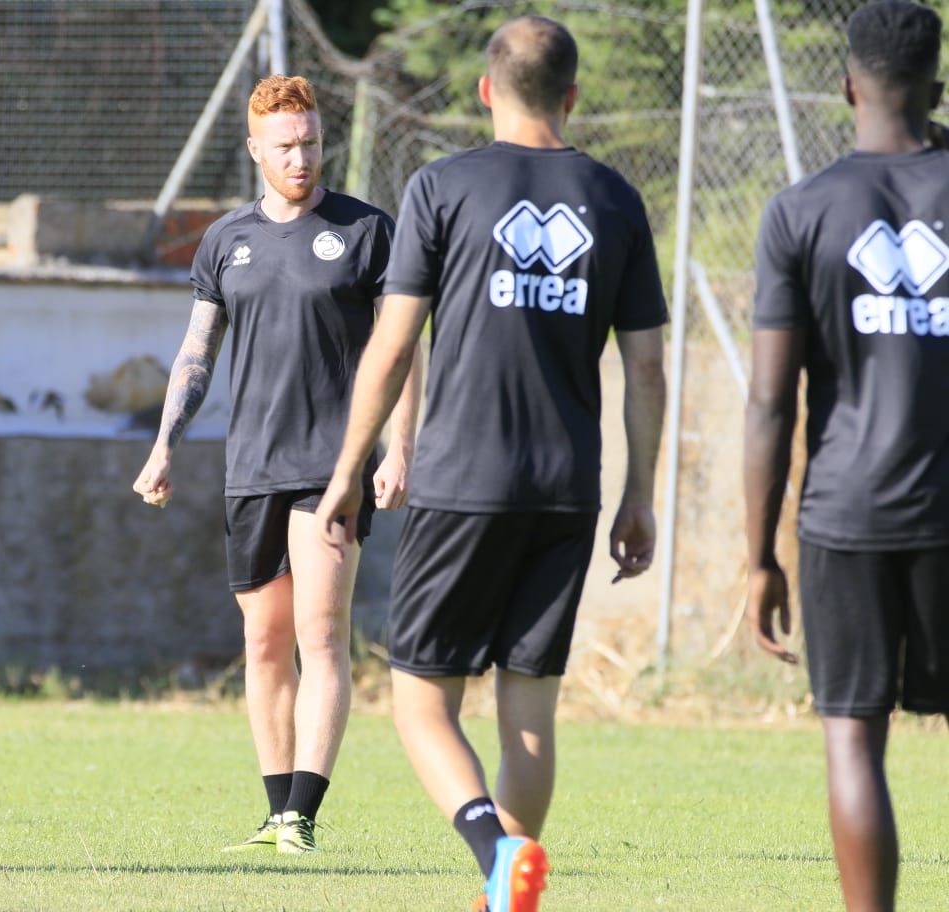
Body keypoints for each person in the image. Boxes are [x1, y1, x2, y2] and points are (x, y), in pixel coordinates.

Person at [316, 15, 667, 911]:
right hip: (566, 489)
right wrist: (639, 496)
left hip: (463, 484)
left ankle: (491, 854)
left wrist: (349, 467)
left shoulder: (442, 186)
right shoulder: (616, 197)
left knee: (421, 699)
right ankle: (504, 889)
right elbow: (649, 365)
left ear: (484, 91)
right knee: (531, 714)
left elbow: (393, 345)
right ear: (574, 96)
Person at [133, 74, 422, 855]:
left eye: (313, 142)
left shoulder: (368, 231)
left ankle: (304, 815)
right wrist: (164, 445)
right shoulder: (226, 240)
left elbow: (404, 346)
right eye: (287, 145)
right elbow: (197, 350)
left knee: (321, 636)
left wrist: (400, 445)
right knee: (265, 643)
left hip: (334, 466)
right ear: (256, 149)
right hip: (250, 467)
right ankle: (273, 811)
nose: (302, 157)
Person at [744, 3, 948, 910]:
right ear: (937, 89)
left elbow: (766, 404)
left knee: (853, 739)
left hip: (845, 517)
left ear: (846, 87)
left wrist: (758, 556)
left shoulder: (801, 210)